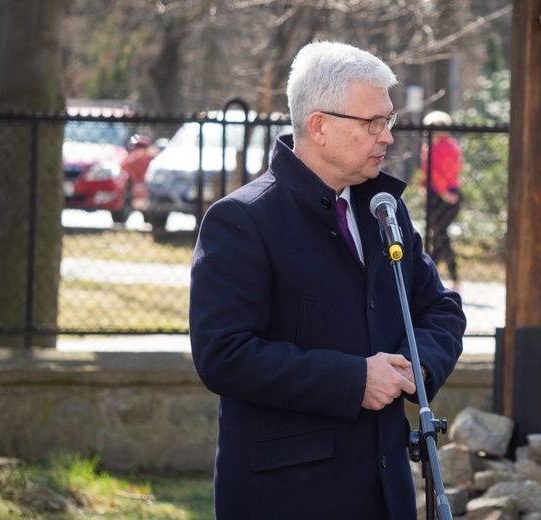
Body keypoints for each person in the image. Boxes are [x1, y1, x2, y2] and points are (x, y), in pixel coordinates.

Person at [190, 41, 466, 520]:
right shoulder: (242, 220)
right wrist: (354, 379)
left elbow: (440, 309)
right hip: (290, 495)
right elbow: (224, 354)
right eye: (372, 123)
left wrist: (417, 369)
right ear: (318, 125)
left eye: (389, 121)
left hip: (385, 491)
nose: (387, 138)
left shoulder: (384, 209)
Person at [421, 110, 463, 291]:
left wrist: (443, 191)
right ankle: (430, 275)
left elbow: (438, 172)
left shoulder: (439, 147)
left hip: (442, 196)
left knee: (440, 235)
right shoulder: (450, 145)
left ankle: (446, 276)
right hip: (444, 194)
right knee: (439, 235)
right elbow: (429, 172)